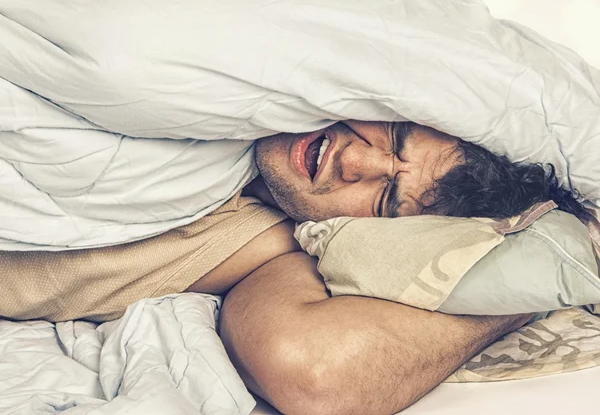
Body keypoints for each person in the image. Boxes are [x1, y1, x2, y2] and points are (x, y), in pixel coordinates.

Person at [0, 120, 589, 415]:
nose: (353, 157)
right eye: (397, 136)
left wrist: (519, 290)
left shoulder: (280, 248)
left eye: (386, 199)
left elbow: (311, 371)